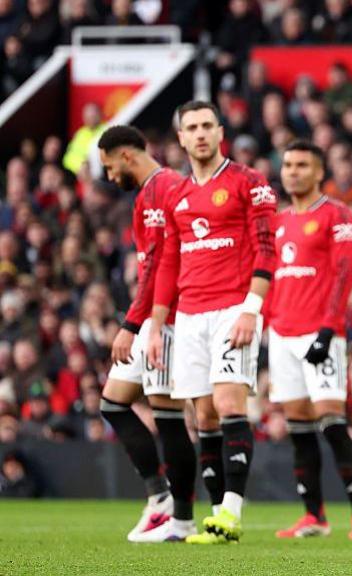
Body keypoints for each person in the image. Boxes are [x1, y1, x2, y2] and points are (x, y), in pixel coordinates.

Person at [146, 101, 277, 545]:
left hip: (232, 309)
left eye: (207, 126)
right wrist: (156, 323)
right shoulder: (176, 194)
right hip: (188, 317)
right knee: (202, 413)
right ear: (180, 138)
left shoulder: (247, 182)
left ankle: (232, 512)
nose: (199, 134)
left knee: (229, 403)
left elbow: (265, 248)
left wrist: (251, 309)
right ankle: (217, 520)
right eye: (191, 128)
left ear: (220, 131)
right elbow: (167, 261)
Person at [96, 125, 198, 543]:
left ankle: (182, 519)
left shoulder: (165, 189)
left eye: (107, 167)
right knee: (113, 404)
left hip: (167, 319)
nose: (108, 177)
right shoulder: (150, 193)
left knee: (168, 415)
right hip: (154, 316)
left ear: (125, 156)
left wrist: (132, 325)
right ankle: (161, 499)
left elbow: (158, 267)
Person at [268, 140, 352, 540]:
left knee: (331, 421)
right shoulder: (277, 223)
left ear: (318, 172)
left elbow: (345, 275)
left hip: (320, 332)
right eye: (288, 164)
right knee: (297, 426)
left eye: (302, 165)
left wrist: (329, 331)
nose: (293, 171)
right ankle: (314, 516)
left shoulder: (336, 215)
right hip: (281, 333)